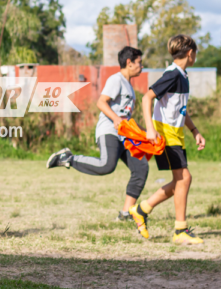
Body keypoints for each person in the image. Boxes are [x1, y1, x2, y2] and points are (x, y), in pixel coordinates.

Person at [47, 46, 148, 221]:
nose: (142, 66)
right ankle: (68, 158)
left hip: (125, 136)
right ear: (129, 63)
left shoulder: (129, 86)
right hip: (109, 131)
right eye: (139, 63)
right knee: (106, 166)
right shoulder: (116, 80)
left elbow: (125, 115)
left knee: (141, 168)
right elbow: (102, 103)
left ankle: (126, 214)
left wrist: (141, 131)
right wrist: (116, 119)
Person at [129, 34, 206, 245]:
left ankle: (141, 209)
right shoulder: (172, 74)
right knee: (184, 179)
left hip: (176, 134)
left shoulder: (182, 75)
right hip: (166, 135)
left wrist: (194, 131)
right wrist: (151, 129)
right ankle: (180, 230)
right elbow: (147, 97)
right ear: (190, 53)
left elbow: (181, 109)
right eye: (196, 53)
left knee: (180, 181)